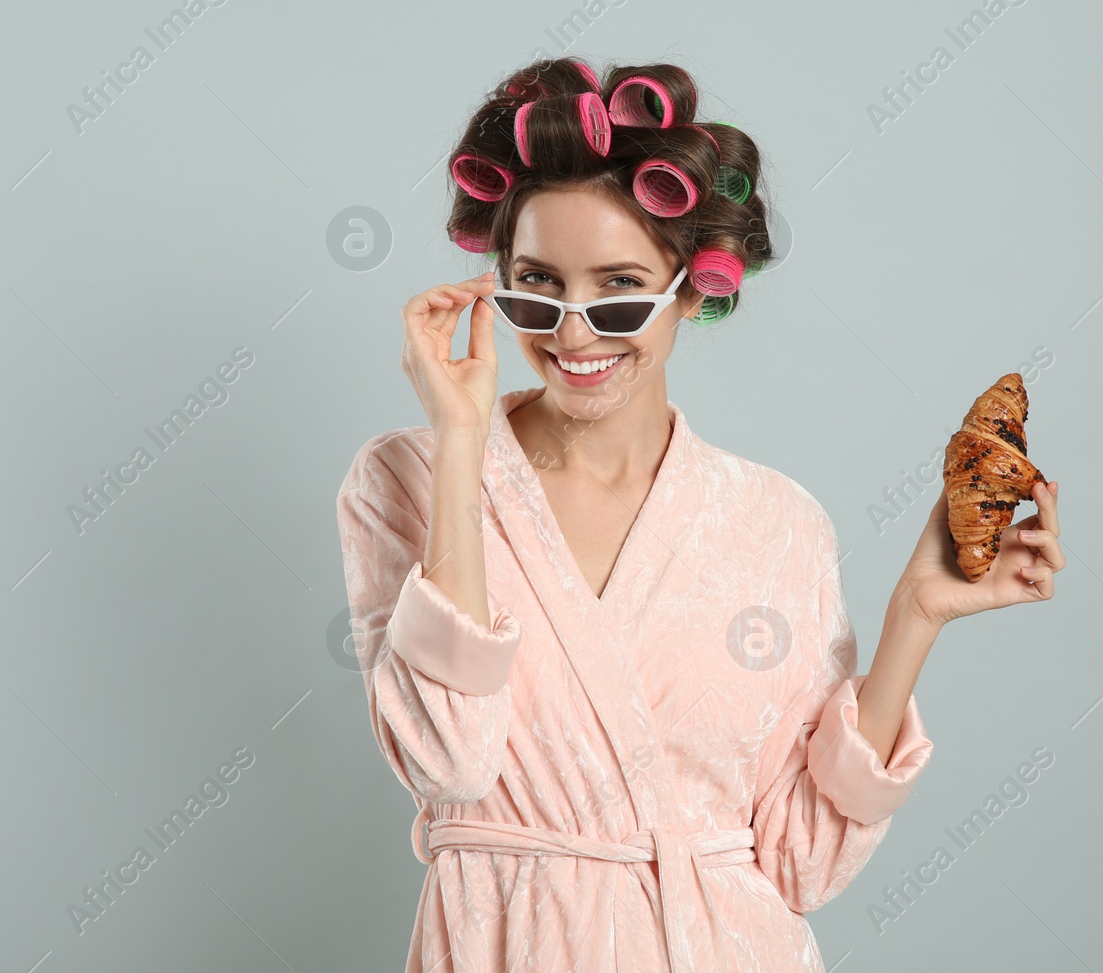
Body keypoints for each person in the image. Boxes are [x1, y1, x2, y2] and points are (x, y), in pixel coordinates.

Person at [334, 58, 1065, 973]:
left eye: (619, 289)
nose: (570, 331)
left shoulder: (776, 522)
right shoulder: (403, 477)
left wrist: (914, 618)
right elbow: (449, 760)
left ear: (691, 287)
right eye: (534, 284)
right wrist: (458, 440)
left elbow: (802, 858)